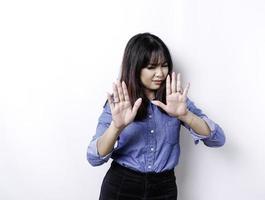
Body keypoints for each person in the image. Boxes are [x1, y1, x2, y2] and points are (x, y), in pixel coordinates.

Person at [87, 32, 226, 200]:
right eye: (151, 67)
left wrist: (186, 115)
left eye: (164, 65)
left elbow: (218, 139)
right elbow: (94, 158)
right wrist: (116, 127)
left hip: (164, 188)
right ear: (135, 68)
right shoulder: (119, 104)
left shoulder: (176, 100)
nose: (160, 73)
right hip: (122, 185)